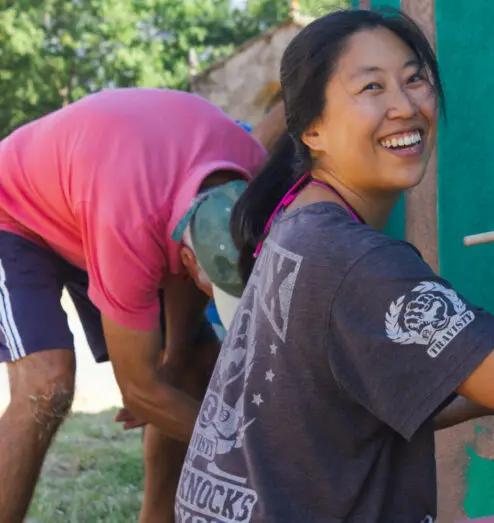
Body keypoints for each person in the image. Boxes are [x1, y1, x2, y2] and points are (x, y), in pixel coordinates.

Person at [174, 9, 494, 523]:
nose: (404, 106)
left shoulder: (297, 220)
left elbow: (357, 405)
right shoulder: (355, 258)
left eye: (414, 78)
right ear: (312, 129)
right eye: (372, 88)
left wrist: (483, 398)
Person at [0, 87, 284, 523]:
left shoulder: (251, 171)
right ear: (186, 257)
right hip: (15, 209)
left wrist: (173, 366)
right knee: (46, 382)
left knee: (193, 370)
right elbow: (139, 390)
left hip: (100, 195)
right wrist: (256, 457)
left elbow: (176, 340)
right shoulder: (130, 227)